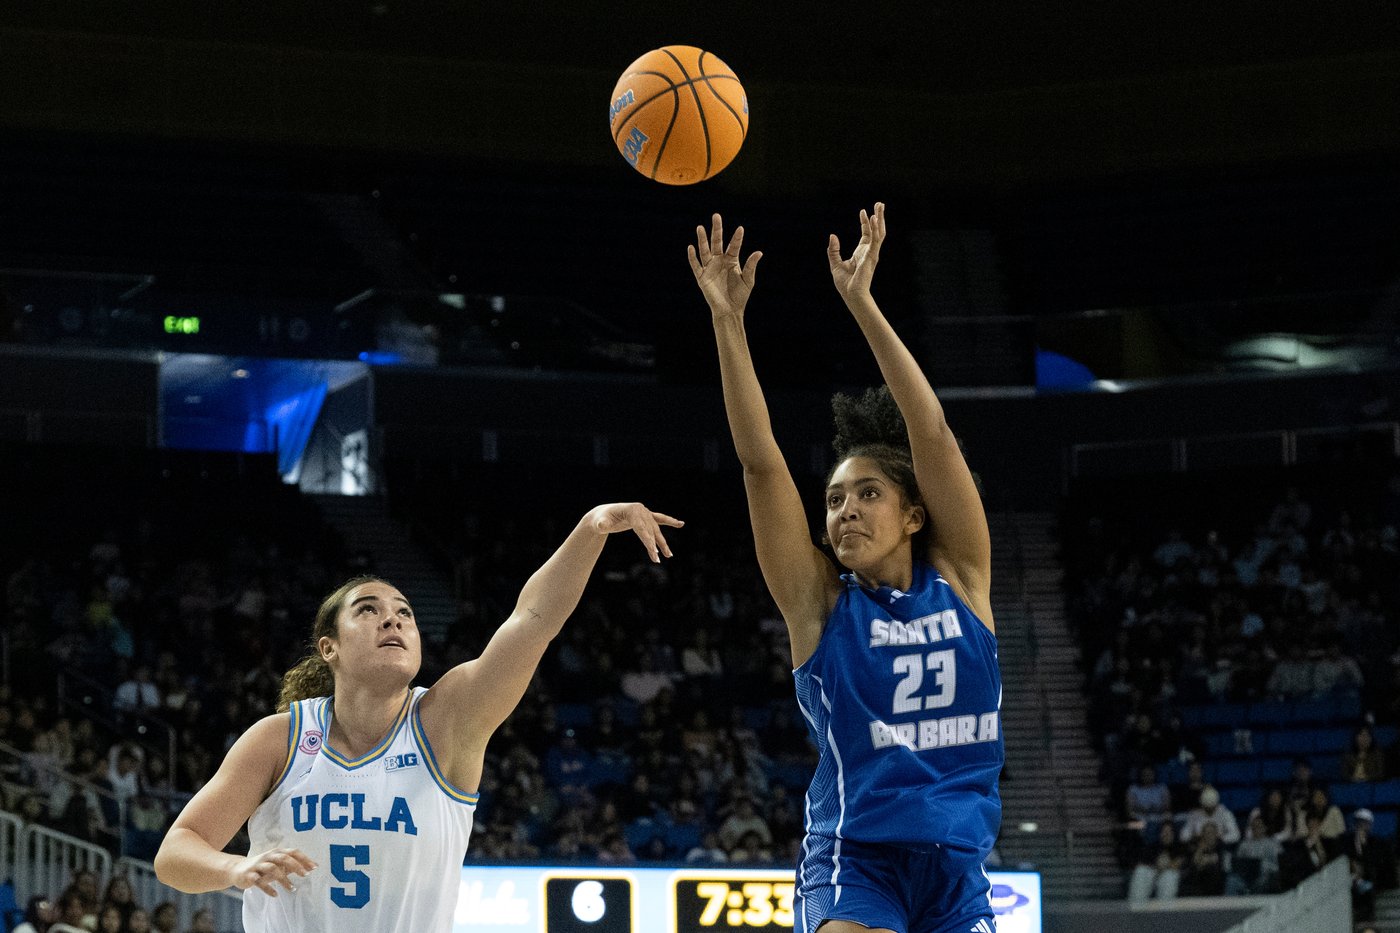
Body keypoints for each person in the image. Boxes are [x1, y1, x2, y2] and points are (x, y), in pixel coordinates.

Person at [690, 202, 1002, 933]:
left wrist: (862, 304)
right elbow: (761, 465)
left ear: (914, 513)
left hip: (958, 871)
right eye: (833, 500)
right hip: (856, 860)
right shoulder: (821, 606)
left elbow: (931, 432)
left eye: (867, 493)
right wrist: (728, 324)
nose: (845, 512)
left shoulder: (962, 578)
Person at [154, 503, 682, 933]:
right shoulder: (281, 739)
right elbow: (176, 852)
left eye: (405, 612)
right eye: (368, 609)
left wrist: (592, 528)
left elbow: (532, 622)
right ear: (329, 648)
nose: (393, 617)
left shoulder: (447, 719)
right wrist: (236, 867)